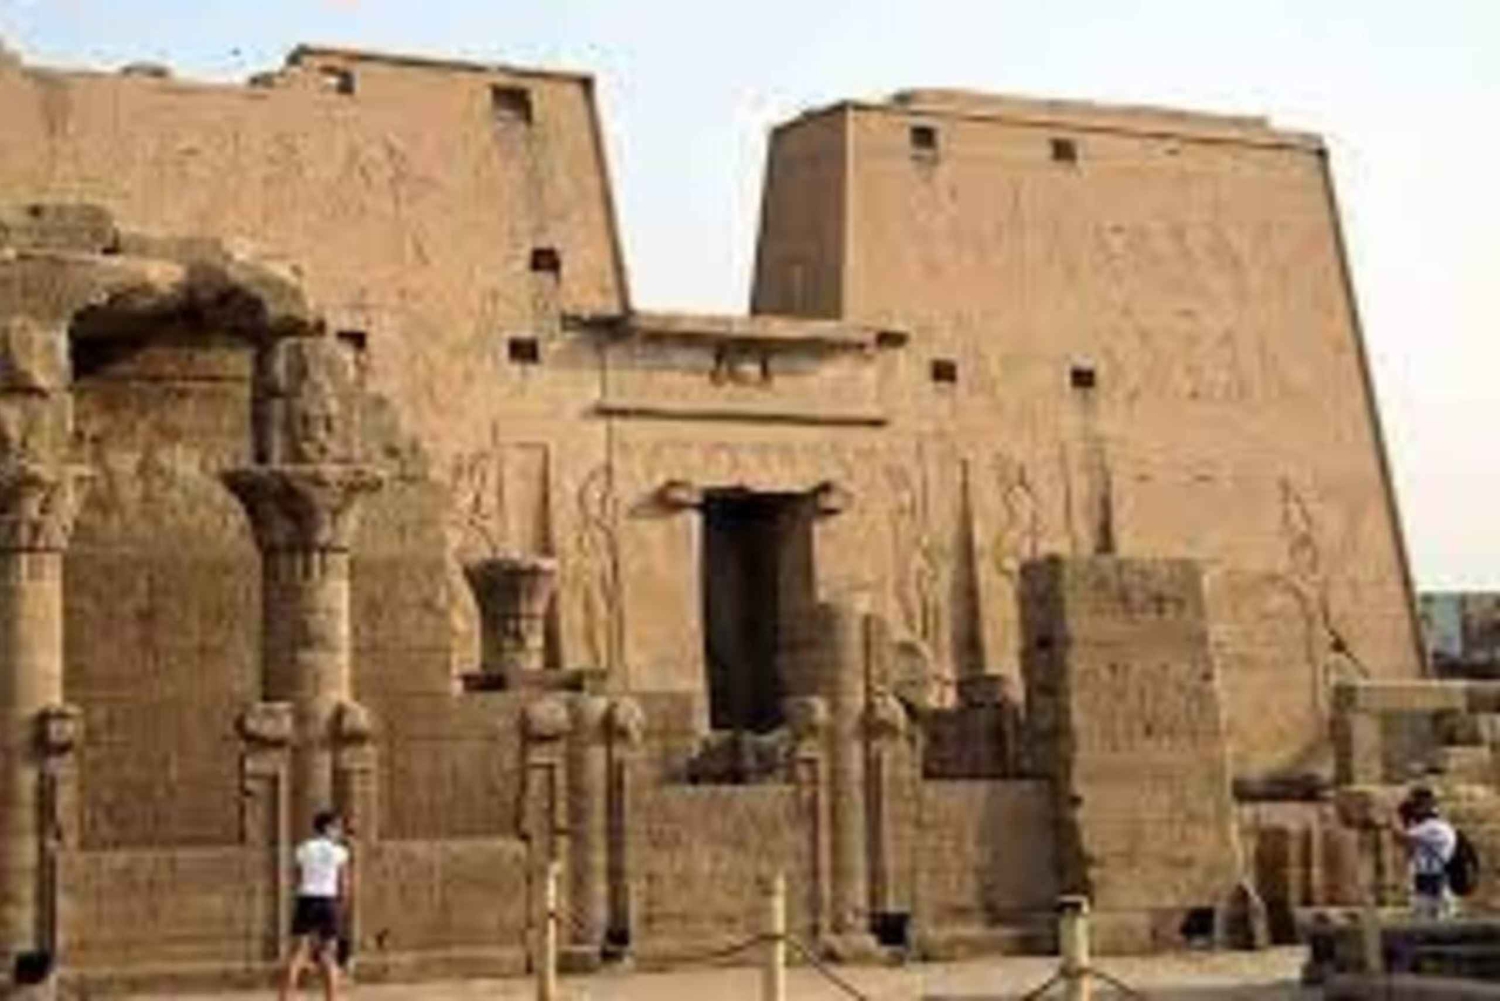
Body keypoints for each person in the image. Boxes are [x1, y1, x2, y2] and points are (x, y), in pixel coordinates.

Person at [279, 809, 350, 1001]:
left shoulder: (303, 848)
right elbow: (344, 882)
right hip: (328, 900)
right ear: (327, 828)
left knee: (298, 952)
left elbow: (297, 876)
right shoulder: (340, 851)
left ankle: (285, 996)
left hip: (306, 899)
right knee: (328, 953)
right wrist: (342, 906)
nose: (340, 831)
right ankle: (331, 997)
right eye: (337, 827)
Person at [1395, 786, 1457, 920]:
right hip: (1432, 878)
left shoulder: (1433, 827)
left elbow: (1401, 836)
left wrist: (1394, 818)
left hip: (1433, 879)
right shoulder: (1437, 827)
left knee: (1428, 919)